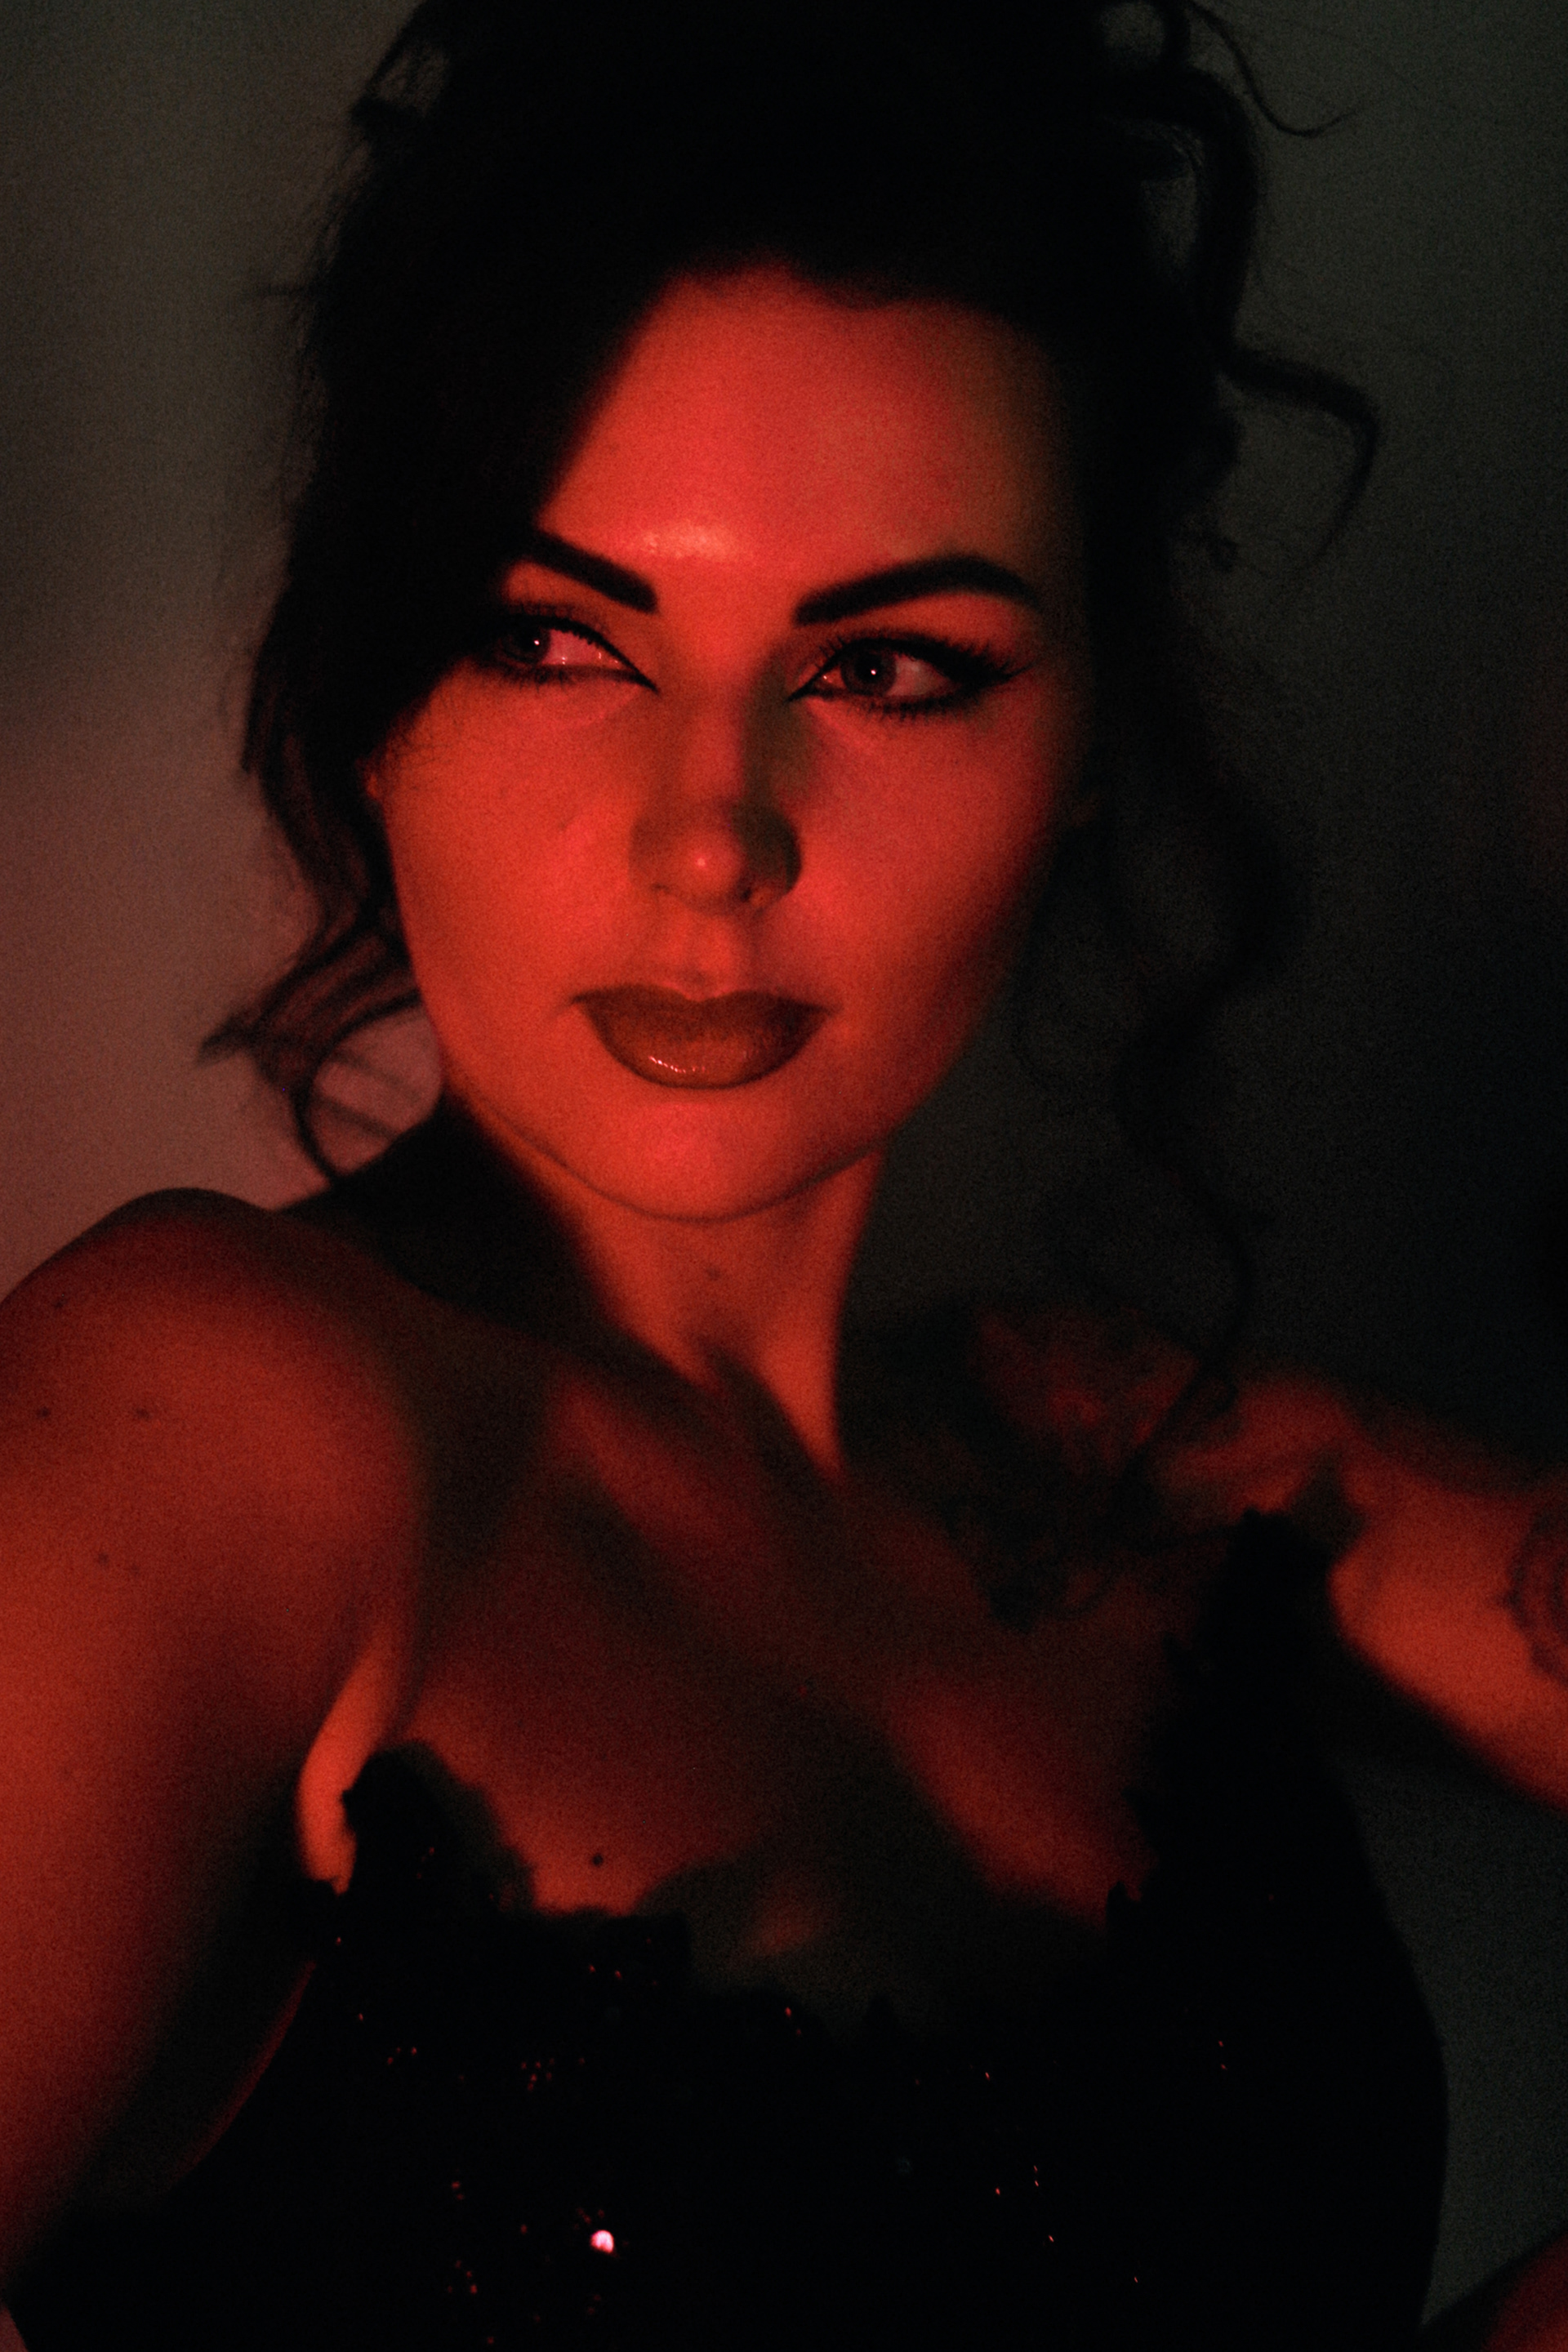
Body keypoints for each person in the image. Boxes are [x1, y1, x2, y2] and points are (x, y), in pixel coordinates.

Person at [2, 0, 1566, 2344]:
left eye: (887, 670)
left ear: (1092, 735)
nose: (708, 836)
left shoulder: (1106, 1451)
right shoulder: (214, 1418)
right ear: (371, 687)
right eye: (554, 638)